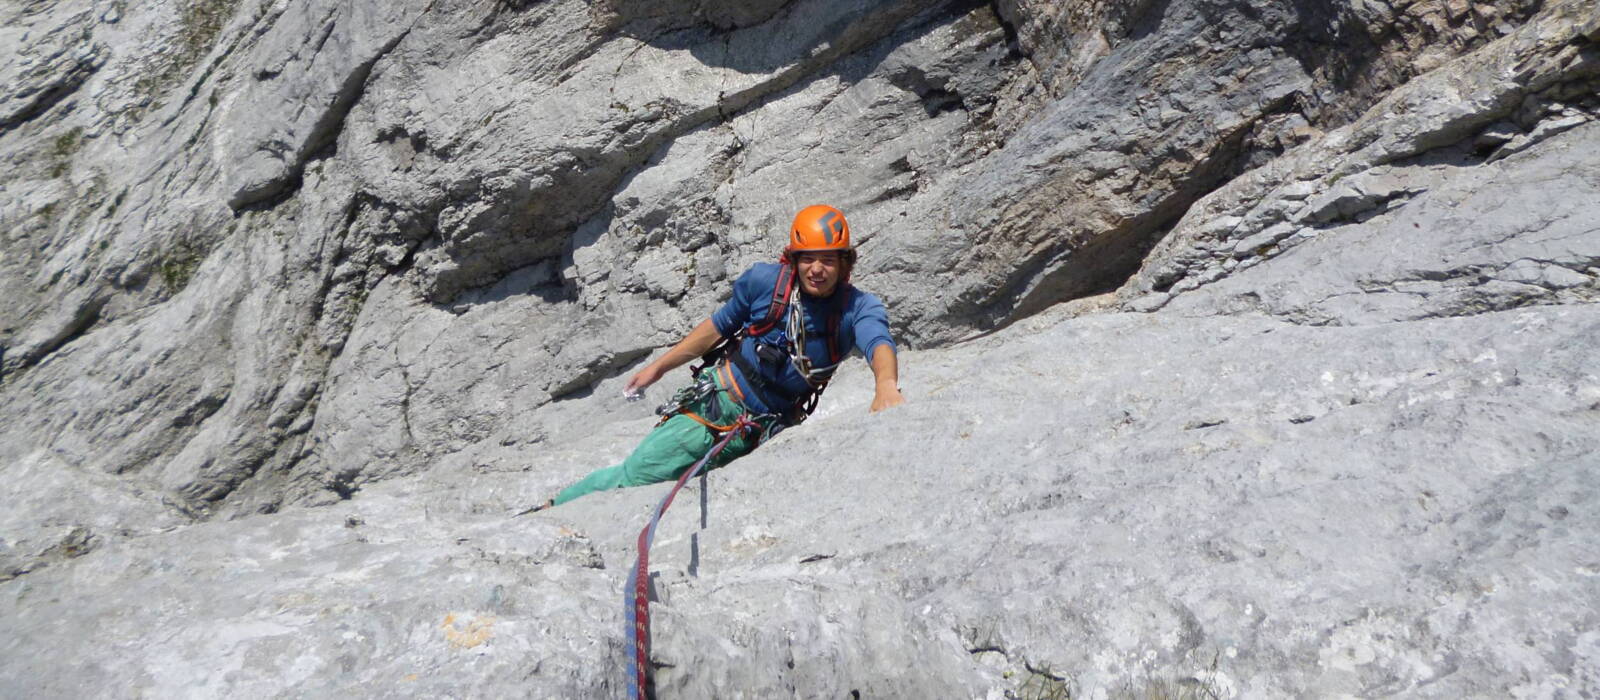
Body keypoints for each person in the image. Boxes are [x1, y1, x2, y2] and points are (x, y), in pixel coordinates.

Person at [534, 204, 903, 510]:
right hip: (715, 405)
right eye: (808, 259)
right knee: (639, 475)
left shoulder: (856, 308)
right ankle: (557, 508)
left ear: (844, 264)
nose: (817, 270)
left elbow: (878, 343)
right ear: (794, 259)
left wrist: (885, 385)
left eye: (827, 260)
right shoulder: (764, 283)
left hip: (766, 432)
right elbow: (718, 327)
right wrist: (660, 367)